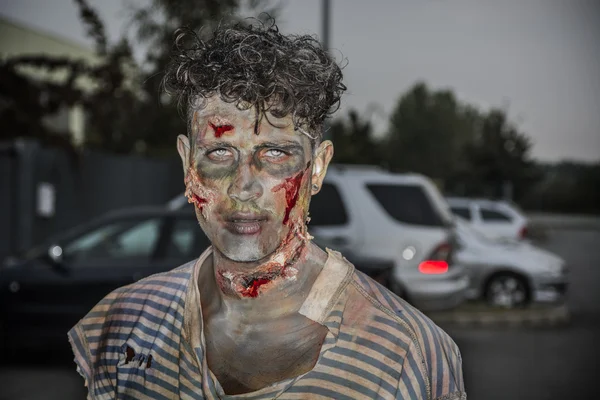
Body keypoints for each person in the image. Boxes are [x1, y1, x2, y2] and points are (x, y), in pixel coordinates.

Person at [68, 19, 466, 400]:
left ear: (318, 167)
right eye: (220, 152)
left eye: (275, 153)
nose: (244, 187)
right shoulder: (121, 326)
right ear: (187, 163)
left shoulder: (408, 354)